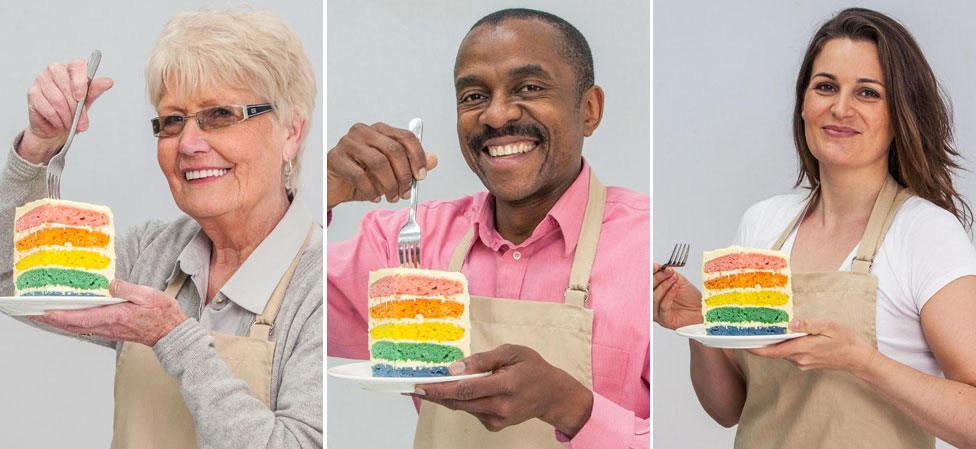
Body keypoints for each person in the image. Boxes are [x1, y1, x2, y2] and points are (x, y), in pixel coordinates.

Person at [654, 8, 976, 449]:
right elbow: (729, 409)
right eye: (825, 87)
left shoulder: (925, 233)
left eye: (868, 93)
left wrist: (861, 361)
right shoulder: (764, 223)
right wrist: (699, 326)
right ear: (804, 103)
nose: (840, 108)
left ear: (900, 112)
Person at [328, 8, 649, 449]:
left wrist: (569, 405)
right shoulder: (405, 242)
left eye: (530, 88)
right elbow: (283, 308)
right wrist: (320, 191)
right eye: (474, 96)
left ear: (589, 110)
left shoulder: (646, 248)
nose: (496, 116)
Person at [0, 10, 322, 449]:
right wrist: (38, 148)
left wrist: (174, 337)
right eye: (173, 121)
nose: (188, 144)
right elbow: (10, 279)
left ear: (291, 132)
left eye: (220, 114)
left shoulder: (320, 283)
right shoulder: (154, 254)